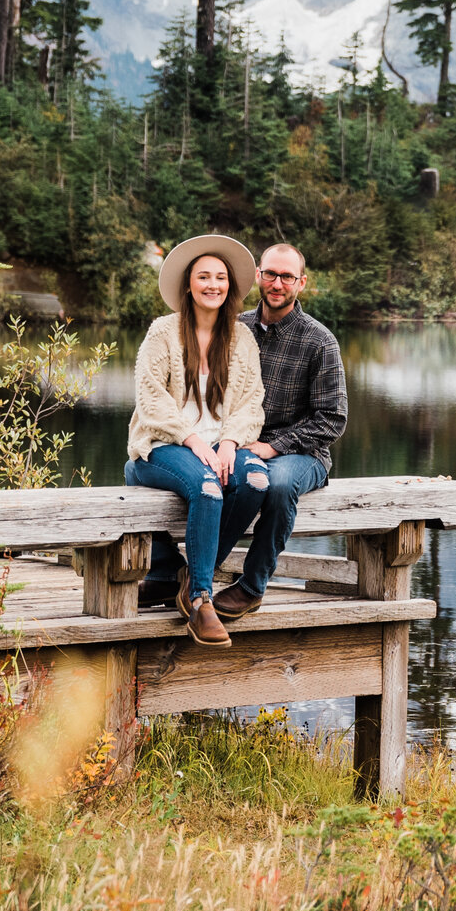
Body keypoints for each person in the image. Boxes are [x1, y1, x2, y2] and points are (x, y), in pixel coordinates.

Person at [136, 240, 348, 620]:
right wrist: (224, 442)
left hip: (300, 451)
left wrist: (273, 446)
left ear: (301, 282)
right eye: (270, 274)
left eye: (287, 276)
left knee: (275, 484)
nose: (277, 283)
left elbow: (332, 419)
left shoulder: (320, 342)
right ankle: (187, 577)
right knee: (227, 482)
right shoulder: (238, 326)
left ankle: (251, 585)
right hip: (229, 442)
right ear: (258, 278)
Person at [122, 234, 267, 647]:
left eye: (220, 278)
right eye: (203, 277)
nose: (213, 285)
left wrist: (230, 442)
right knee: (208, 488)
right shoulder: (162, 333)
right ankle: (202, 599)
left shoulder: (242, 339)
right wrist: (191, 439)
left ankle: (187, 576)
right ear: (188, 284)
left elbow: (252, 403)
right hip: (162, 447)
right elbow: (150, 397)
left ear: (230, 287)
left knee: (256, 482)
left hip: (220, 446)